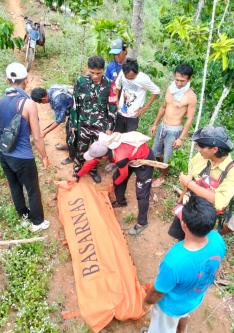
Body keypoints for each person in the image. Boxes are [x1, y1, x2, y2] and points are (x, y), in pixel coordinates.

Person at [142, 195, 226, 333]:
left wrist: (146, 302)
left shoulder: (174, 261)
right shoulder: (218, 240)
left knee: (161, 329)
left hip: (170, 307)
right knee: (183, 315)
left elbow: (158, 292)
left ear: (184, 225)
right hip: (193, 298)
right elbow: (217, 267)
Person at [0, 62, 50, 232]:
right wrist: (44, 156)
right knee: (33, 189)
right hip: (23, 157)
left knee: (14, 186)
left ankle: (24, 217)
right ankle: (37, 222)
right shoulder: (28, 104)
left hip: (4, 153)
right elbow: (37, 136)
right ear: (25, 81)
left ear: (7, 80)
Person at [69, 131, 154, 235]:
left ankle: (142, 223)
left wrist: (113, 185)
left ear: (104, 157)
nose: (95, 160)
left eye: (96, 158)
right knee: (116, 178)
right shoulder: (103, 145)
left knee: (142, 193)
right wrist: (78, 175)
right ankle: (121, 201)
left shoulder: (119, 157)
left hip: (143, 159)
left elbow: (124, 174)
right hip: (129, 157)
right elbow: (91, 163)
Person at [169, 125, 234, 240]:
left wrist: (190, 184)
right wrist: (180, 199)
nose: (198, 149)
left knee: (193, 242)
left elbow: (220, 201)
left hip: (202, 218)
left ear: (215, 149)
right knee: (180, 236)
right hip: (188, 204)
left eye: (202, 146)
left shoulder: (231, 171)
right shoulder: (202, 156)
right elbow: (191, 174)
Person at [70, 56, 117, 183]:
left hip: (100, 125)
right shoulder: (80, 81)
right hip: (84, 123)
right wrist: (74, 123)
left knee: (97, 151)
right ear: (87, 69)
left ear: (103, 70)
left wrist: (109, 128)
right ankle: (77, 169)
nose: (95, 76)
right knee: (81, 148)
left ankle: (92, 170)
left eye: (98, 73)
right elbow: (75, 103)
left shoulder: (110, 84)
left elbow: (112, 107)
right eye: (92, 73)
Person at [150, 64, 197, 187]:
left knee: (167, 156)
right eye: (177, 79)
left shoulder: (191, 96)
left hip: (174, 130)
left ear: (189, 79)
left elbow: (189, 119)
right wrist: (155, 124)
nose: (179, 83)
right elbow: (163, 107)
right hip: (162, 126)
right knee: (155, 152)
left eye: (182, 81)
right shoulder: (170, 89)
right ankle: (161, 168)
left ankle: (162, 176)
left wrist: (181, 138)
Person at [31, 84, 74, 165]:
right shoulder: (51, 88)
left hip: (79, 110)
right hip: (72, 105)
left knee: (71, 132)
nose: (41, 104)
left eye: (40, 102)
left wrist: (44, 132)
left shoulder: (58, 100)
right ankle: (69, 145)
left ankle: (72, 156)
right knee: (68, 129)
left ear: (43, 99)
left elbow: (59, 120)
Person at [115, 59, 160, 133]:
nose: (129, 79)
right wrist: (117, 102)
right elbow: (117, 86)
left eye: (132, 77)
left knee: (129, 139)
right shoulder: (122, 74)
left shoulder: (143, 79)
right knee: (117, 135)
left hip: (133, 115)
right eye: (127, 77)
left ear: (137, 73)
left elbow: (156, 91)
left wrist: (144, 108)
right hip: (120, 112)